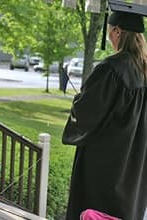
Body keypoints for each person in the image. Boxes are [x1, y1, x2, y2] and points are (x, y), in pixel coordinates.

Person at [62, 1, 147, 220]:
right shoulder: (144, 70)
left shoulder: (111, 69)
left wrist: (79, 100)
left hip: (105, 165)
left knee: (96, 212)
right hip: (135, 166)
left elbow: (86, 114)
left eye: (110, 32)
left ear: (117, 31)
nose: (109, 36)